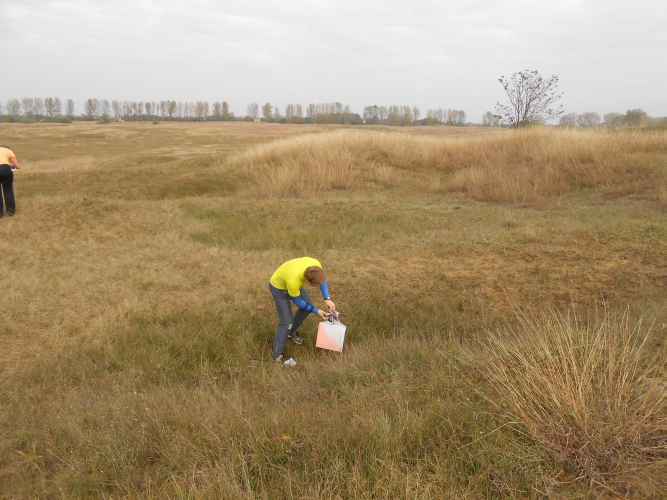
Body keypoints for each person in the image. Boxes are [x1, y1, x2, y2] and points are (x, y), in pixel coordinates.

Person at [269, 257, 336, 363]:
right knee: (286, 322)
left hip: (292, 278)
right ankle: (277, 355)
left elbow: (322, 281)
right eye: (316, 285)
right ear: (307, 280)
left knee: (307, 308)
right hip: (279, 287)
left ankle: (290, 332)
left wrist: (327, 298)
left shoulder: (316, 264)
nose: (318, 286)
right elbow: (299, 301)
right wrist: (316, 311)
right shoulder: (293, 281)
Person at [0, 145, 20, 217]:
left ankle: (0, 213)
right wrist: (11, 166)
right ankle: (11, 210)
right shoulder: (8, 151)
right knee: (8, 190)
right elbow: (17, 166)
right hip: (6, 169)